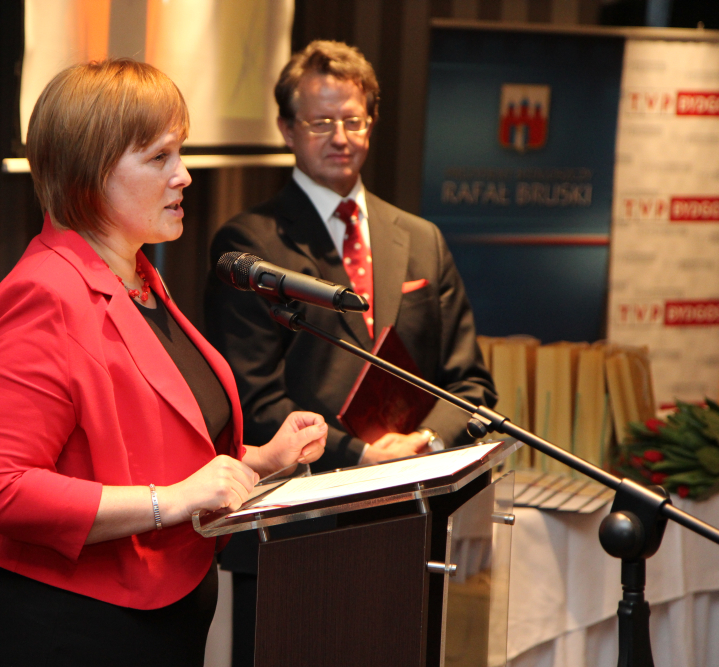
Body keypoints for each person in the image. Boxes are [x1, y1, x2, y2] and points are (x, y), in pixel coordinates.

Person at [0, 59, 328, 667]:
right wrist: (169, 502)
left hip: (158, 623)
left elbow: (149, 452)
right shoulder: (45, 293)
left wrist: (261, 460)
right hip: (64, 631)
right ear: (89, 175)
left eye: (181, 152)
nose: (184, 175)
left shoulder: (140, 279)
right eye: (159, 157)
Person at [204, 40, 496, 666]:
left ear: (372, 123)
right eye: (320, 122)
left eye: (353, 119)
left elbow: (470, 386)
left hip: (410, 527)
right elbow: (251, 401)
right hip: (294, 534)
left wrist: (424, 447)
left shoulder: (422, 239)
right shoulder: (250, 245)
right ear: (287, 129)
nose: (340, 137)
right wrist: (361, 457)